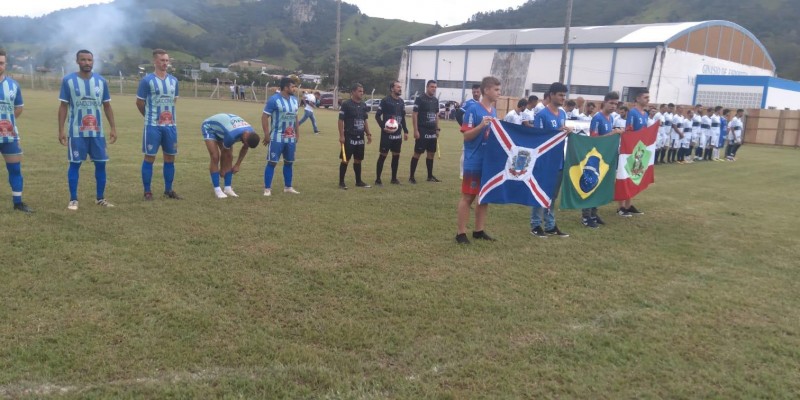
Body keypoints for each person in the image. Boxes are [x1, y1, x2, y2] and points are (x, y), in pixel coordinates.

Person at [57, 49, 118, 211]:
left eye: (89, 60)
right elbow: (63, 107)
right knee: (75, 164)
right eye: (83, 60)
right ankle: (73, 199)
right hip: (76, 133)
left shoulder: (101, 81)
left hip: (97, 133)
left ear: (93, 62)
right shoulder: (68, 80)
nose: (87, 63)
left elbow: (107, 106)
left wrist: (113, 127)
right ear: (77, 61)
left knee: (101, 165)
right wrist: (61, 130)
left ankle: (100, 198)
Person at [456, 76, 500, 244]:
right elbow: (466, 136)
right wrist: (481, 126)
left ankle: (479, 230)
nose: (499, 93)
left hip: (487, 161)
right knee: (468, 197)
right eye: (496, 90)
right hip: (473, 159)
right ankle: (460, 233)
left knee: (484, 196)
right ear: (486, 90)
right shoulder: (473, 110)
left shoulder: (493, 111)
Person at [136, 49, 181, 201]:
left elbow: (173, 101)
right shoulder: (147, 81)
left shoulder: (174, 81)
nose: (165, 63)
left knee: (170, 158)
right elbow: (139, 102)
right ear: (155, 61)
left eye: (167, 60)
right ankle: (147, 191)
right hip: (152, 126)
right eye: (162, 60)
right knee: (150, 157)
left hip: (170, 126)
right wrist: (150, 117)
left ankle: (168, 190)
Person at [530, 82, 573, 238]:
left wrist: (566, 132)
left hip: (559, 160)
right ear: (552, 95)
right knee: (541, 192)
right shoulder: (542, 115)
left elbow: (559, 136)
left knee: (553, 195)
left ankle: (550, 225)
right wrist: (557, 132)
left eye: (564, 95)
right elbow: (538, 138)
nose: (563, 98)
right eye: (560, 95)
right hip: (544, 160)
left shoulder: (562, 114)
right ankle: (535, 224)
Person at [582, 91, 624, 227]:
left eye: (616, 104)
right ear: (604, 103)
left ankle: (594, 213)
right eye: (611, 103)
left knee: (600, 187)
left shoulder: (611, 119)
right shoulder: (597, 118)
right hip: (595, 158)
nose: (613, 106)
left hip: (605, 158)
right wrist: (613, 133)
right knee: (592, 185)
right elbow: (593, 138)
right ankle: (586, 216)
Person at [0, 49, 31, 213]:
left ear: (5, 64)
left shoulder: (13, 85)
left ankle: (18, 203)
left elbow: (19, 107)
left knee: (15, 168)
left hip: (9, 136)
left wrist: (8, 123)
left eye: (1, 63)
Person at [201, 113, 260, 198]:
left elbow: (245, 148)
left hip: (224, 129)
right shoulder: (232, 136)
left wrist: (237, 165)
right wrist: (222, 169)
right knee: (215, 156)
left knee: (230, 156)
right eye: (244, 142)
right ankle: (217, 190)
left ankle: (227, 188)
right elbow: (224, 153)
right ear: (246, 136)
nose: (243, 143)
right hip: (209, 127)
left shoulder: (251, 134)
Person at [261, 77, 300, 196]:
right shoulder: (274, 100)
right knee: (272, 162)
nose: (295, 88)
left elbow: (295, 118)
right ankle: (267, 189)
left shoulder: (294, 100)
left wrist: (297, 133)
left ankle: (288, 187)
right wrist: (267, 134)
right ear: (286, 87)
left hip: (290, 137)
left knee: (289, 162)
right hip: (277, 137)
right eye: (293, 86)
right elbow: (264, 117)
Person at [619, 89, 649, 216]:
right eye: (645, 97)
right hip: (631, 149)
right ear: (638, 99)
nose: (648, 100)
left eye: (648, 97)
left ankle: (629, 204)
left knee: (634, 176)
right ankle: (620, 207)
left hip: (640, 149)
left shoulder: (645, 114)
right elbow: (629, 130)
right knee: (624, 176)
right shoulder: (632, 113)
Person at [338, 83, 372, 189]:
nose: (361, 93)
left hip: (360, 137)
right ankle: (341, 182)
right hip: (349, 136)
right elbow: (340, 120)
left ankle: (358, 181)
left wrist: (368, 133)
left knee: (358, 160)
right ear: (353, 92)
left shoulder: (363, 105)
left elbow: (365, 120)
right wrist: (341, 135)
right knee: (345, 159)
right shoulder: (346, 104)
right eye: (359, 91)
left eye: (362, 91)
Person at [374, 80, 408, 186]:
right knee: (383, 155)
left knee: (396, 156)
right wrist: (383, 127)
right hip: (387, 134)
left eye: (400, 87)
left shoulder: (402, 102)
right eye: (398, 87)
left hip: (397, 134)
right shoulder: (385, 101)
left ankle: (394, 178)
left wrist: (406, 131)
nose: (400, 89)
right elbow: (377, 116)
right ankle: (378, 179)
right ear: (392, 89)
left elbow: (402, 117)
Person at [410, 79, 440, 183]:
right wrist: (416, 130)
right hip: (422, 129)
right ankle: (411, 177)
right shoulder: (420, 99)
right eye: (432, 87)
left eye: (435, 87)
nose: (434, 89)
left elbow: (436, 115)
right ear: (427, 87)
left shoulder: (435, 100)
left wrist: (437, 128)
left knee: (431, 153)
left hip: (432, 130)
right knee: (417, 153)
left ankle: (430, 176)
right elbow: (415, 114)